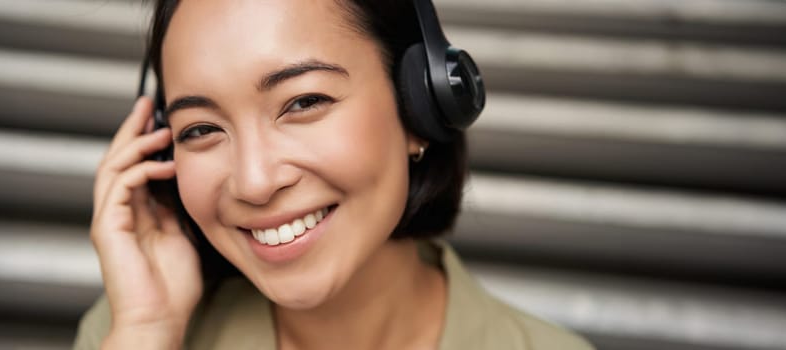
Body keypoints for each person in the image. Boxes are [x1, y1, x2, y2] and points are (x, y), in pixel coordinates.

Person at [74, 0, 594, 349]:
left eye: (303, 101)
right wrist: (146, 331)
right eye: (200, 129)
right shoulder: (130, 329)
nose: (254, 182)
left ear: (420, 107)